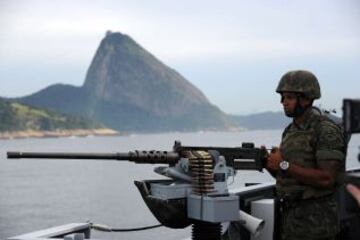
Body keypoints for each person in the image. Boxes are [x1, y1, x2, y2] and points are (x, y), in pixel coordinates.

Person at [265, 70, 346, 240]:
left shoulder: (325, 130)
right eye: (282, 97)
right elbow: (287, 175)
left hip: (318, 225)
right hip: (291, 222)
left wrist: (282, 164)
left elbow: (326, 178)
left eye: (289, 97)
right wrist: (270, 164)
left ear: (306, 98)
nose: (283, 102)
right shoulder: (290, 130)